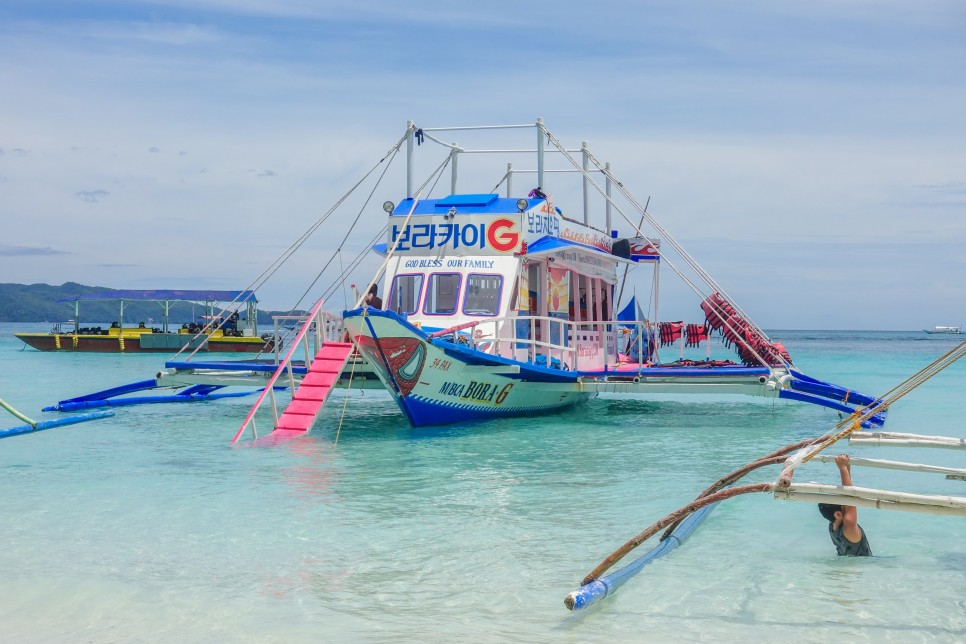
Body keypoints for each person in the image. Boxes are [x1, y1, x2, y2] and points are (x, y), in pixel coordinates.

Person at [818, 454, 873, 557]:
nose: (845, 504)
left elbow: (848, 495)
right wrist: (842, 467)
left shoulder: (833, 526)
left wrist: (846, 468)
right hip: (864, 565)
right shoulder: (848, 526)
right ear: (838, 514)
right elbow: (850, 497)